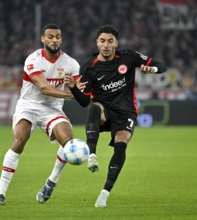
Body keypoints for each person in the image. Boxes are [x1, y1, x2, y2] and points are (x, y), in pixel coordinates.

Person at [64, 24, 166, 208]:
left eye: (110, 41)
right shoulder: (89, 66)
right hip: (105, 109)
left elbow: (161, 66)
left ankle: (104, 193)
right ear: (97, 43)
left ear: (116, 43)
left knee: (120, 146)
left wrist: (153, 70)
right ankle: (92, 154)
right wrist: (72, 86)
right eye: (102, 41)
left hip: (127, 111)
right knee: (94, 107)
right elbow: (84, 101)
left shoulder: (128, 56)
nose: (106, 45)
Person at [0, 24, 82, 205]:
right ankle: (0, 193)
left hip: (53, 109)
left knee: (68, 142)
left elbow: (80, 88)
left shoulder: (71, 64)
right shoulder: (33, 60)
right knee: (20, 140)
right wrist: (72, 94)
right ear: (43, 39)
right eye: (50, 36)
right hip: (29, 106)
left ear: (61, 40)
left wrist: (79, 89)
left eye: (57, 37)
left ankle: (51, 182)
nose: (54, 40)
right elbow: (44, 88)